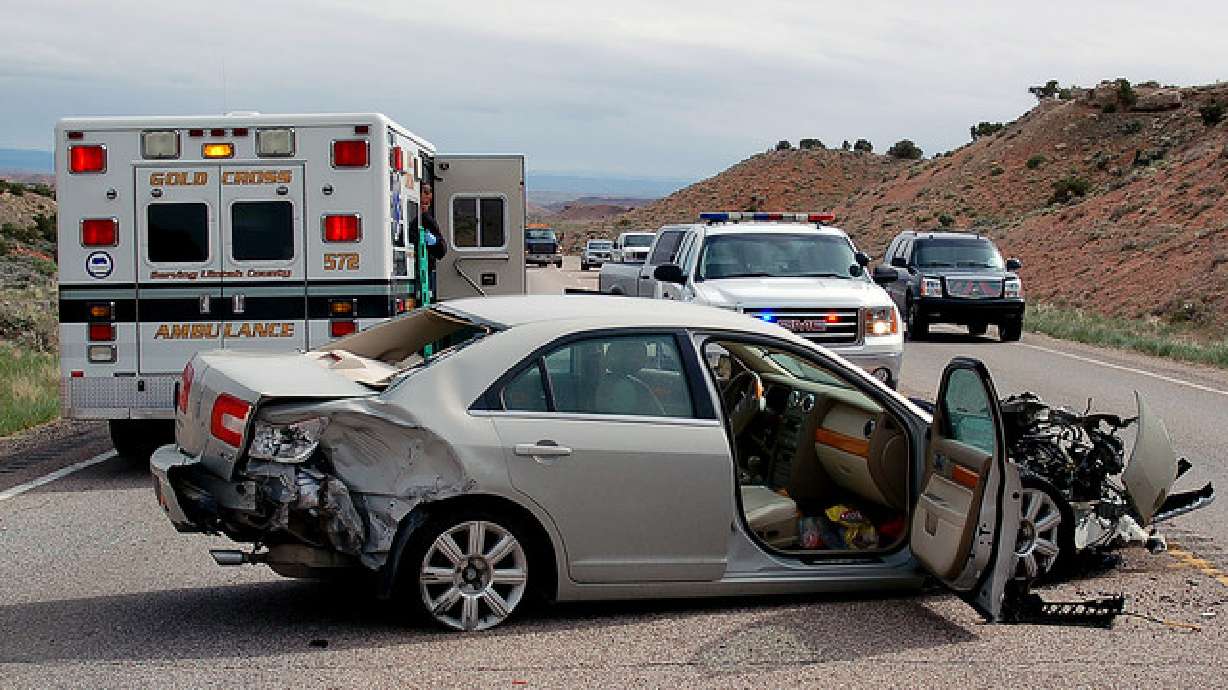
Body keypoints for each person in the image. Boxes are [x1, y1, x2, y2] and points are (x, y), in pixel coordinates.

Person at [411, 182, 447, 300]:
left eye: (430, 193)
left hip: (425, 271)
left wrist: (434, 242)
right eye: (425, 192)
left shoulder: (426, 219)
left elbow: (442, 249)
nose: (429, 196)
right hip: (415, 271)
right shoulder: (416, 219)